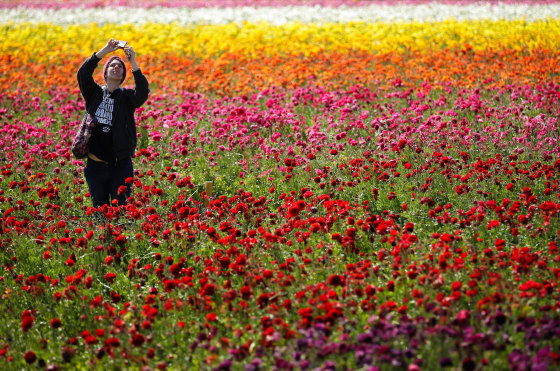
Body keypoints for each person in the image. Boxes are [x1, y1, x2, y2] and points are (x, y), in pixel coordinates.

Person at [77, 39, 149, 208]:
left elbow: (143, 93)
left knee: (122, 212)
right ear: (106, 72)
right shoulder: (93, 93)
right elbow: (82, 74)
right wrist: (104, 51)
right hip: (95, 166)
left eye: (120, 66)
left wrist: (133, 62)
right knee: (100, 213)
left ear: (123, 75)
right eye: (112, 65)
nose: (116, 67)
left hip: (121, 165)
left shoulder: (127, 97)